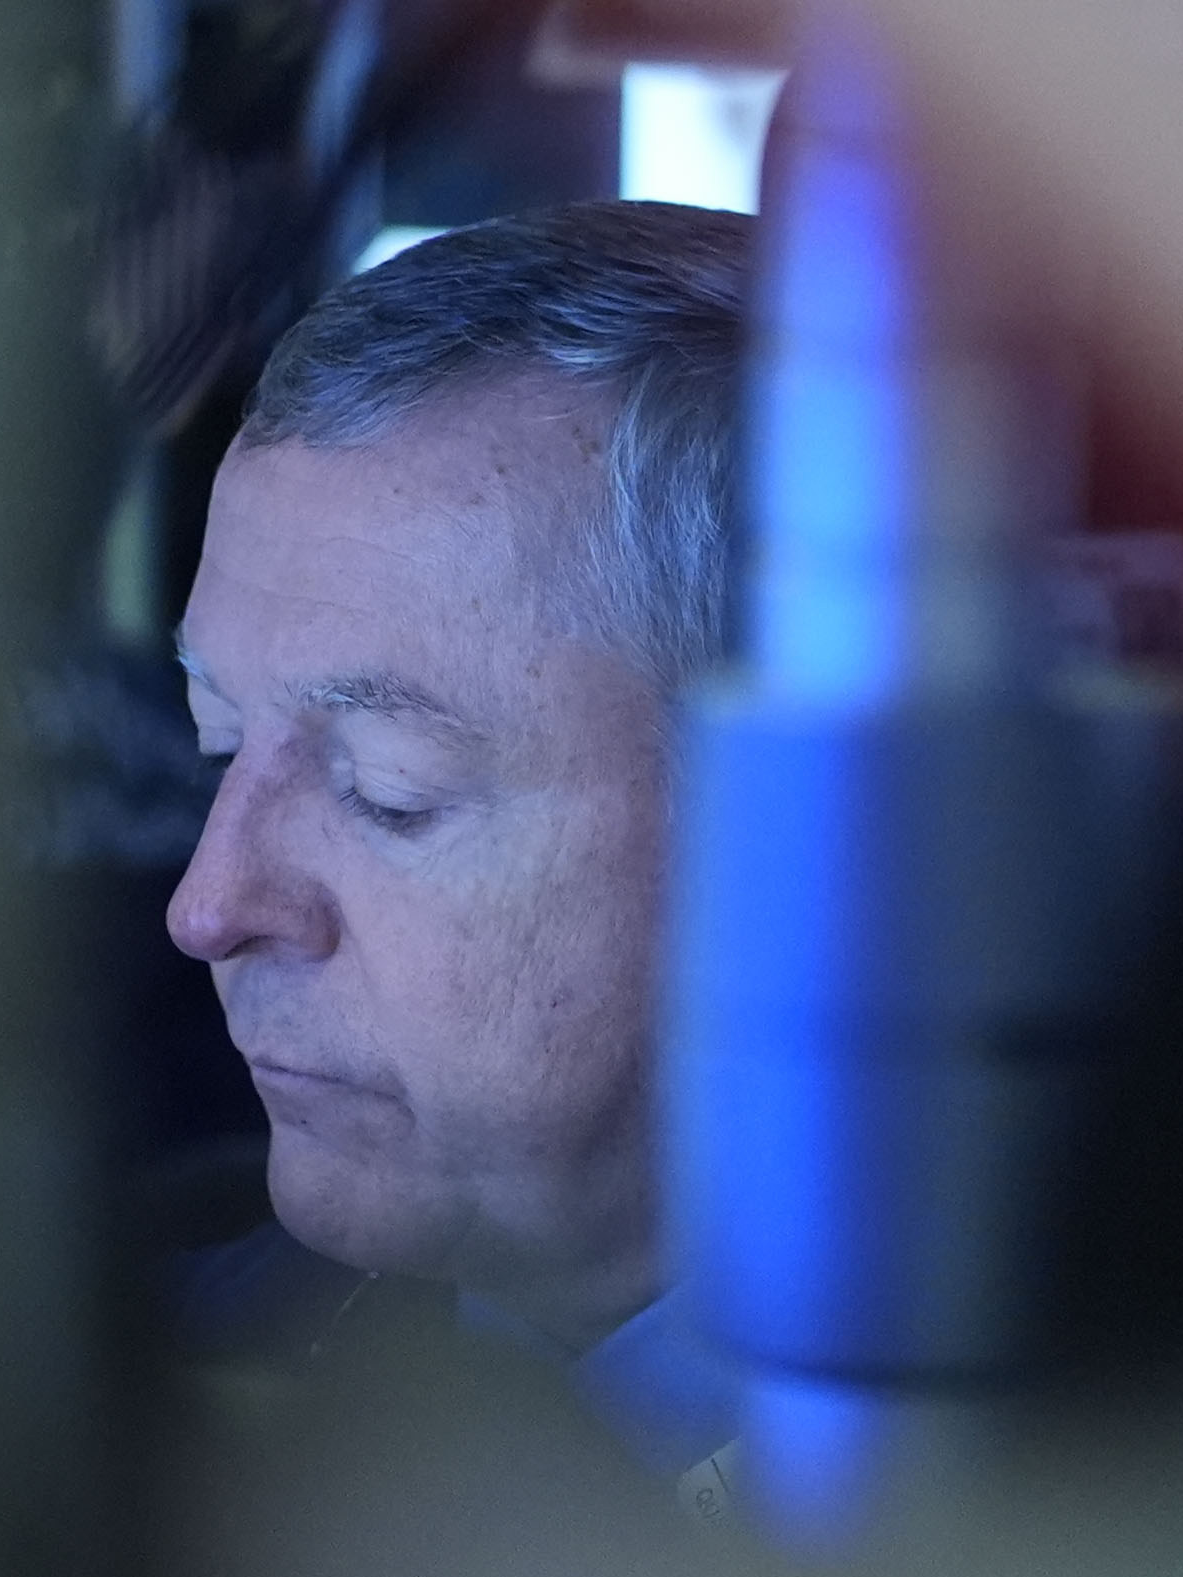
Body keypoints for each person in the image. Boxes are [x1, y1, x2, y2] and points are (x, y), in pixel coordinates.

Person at [160, 198, 753, 1483]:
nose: (209, 906)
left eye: (391, 791)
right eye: (217, 737)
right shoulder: (145, 1408)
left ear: (806, 834)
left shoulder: (1162, 1513)